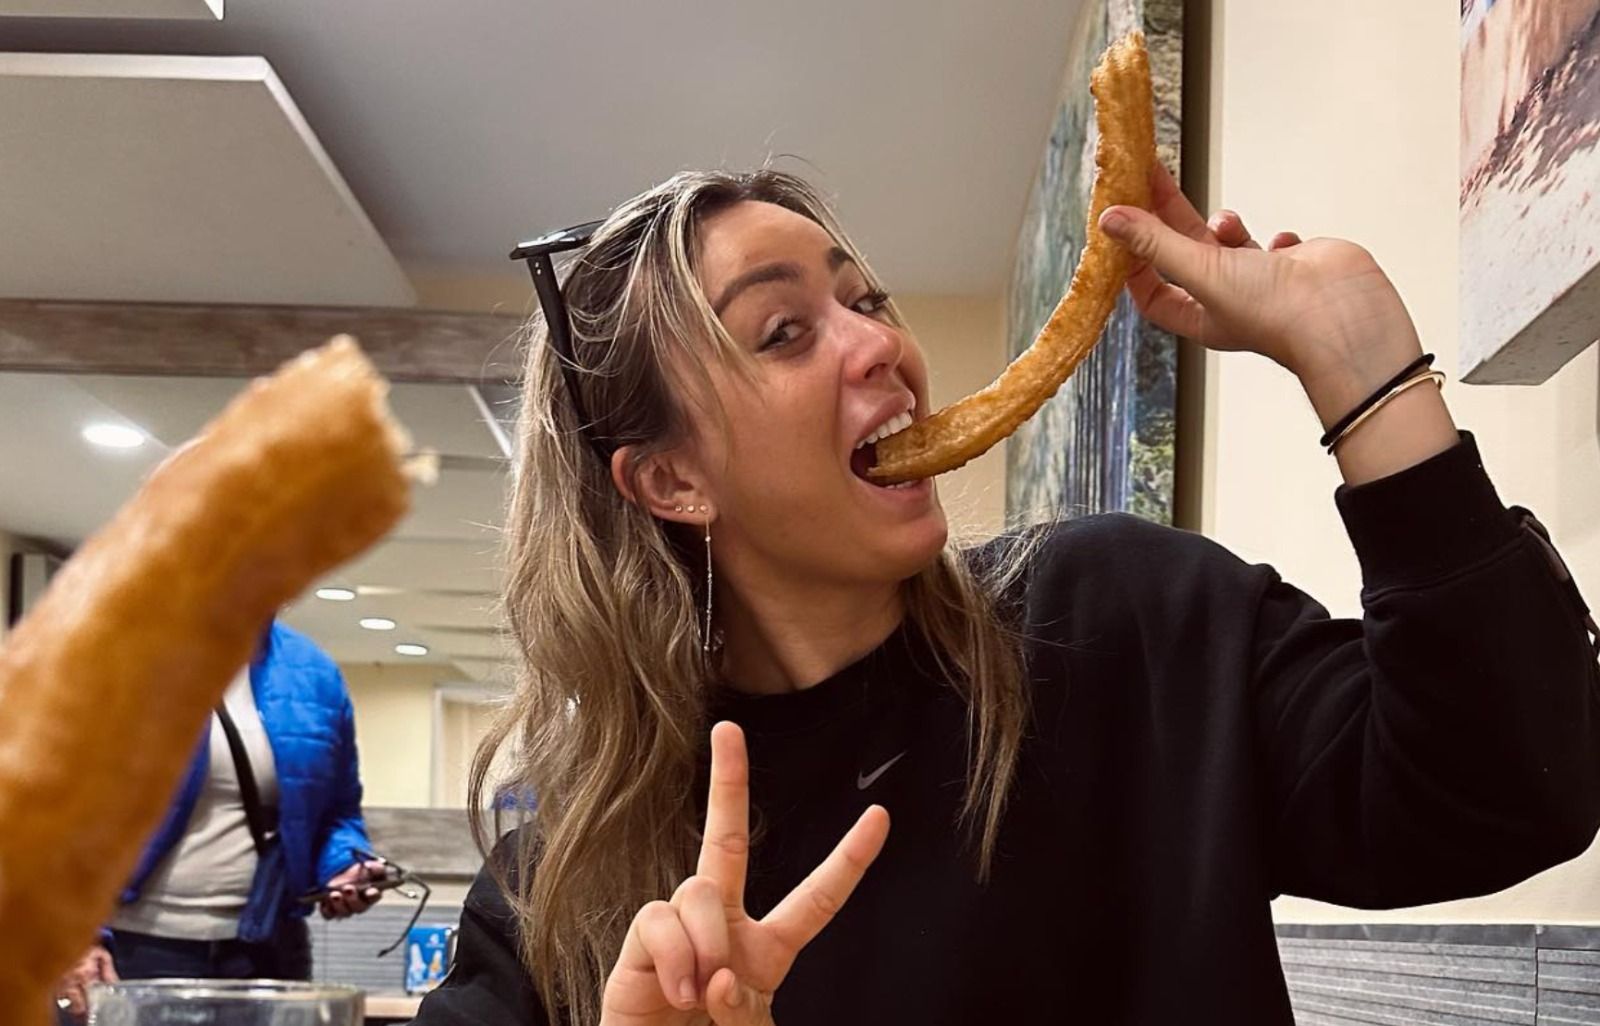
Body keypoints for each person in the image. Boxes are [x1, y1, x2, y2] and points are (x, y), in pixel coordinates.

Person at [411, 167, 1600, 1026]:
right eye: (783, 332)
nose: (880, 346)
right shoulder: (557, 892)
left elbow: (1513, 792)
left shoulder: (1119, 620)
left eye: (863, 300)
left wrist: (1360, 362)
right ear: (669, 479)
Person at [54, 620, 385, 1018]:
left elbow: (338, 812)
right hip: (131, 952)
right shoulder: (120, 650)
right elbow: (53, 810)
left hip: (265, 955)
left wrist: (344, 867)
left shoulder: (311, 671)